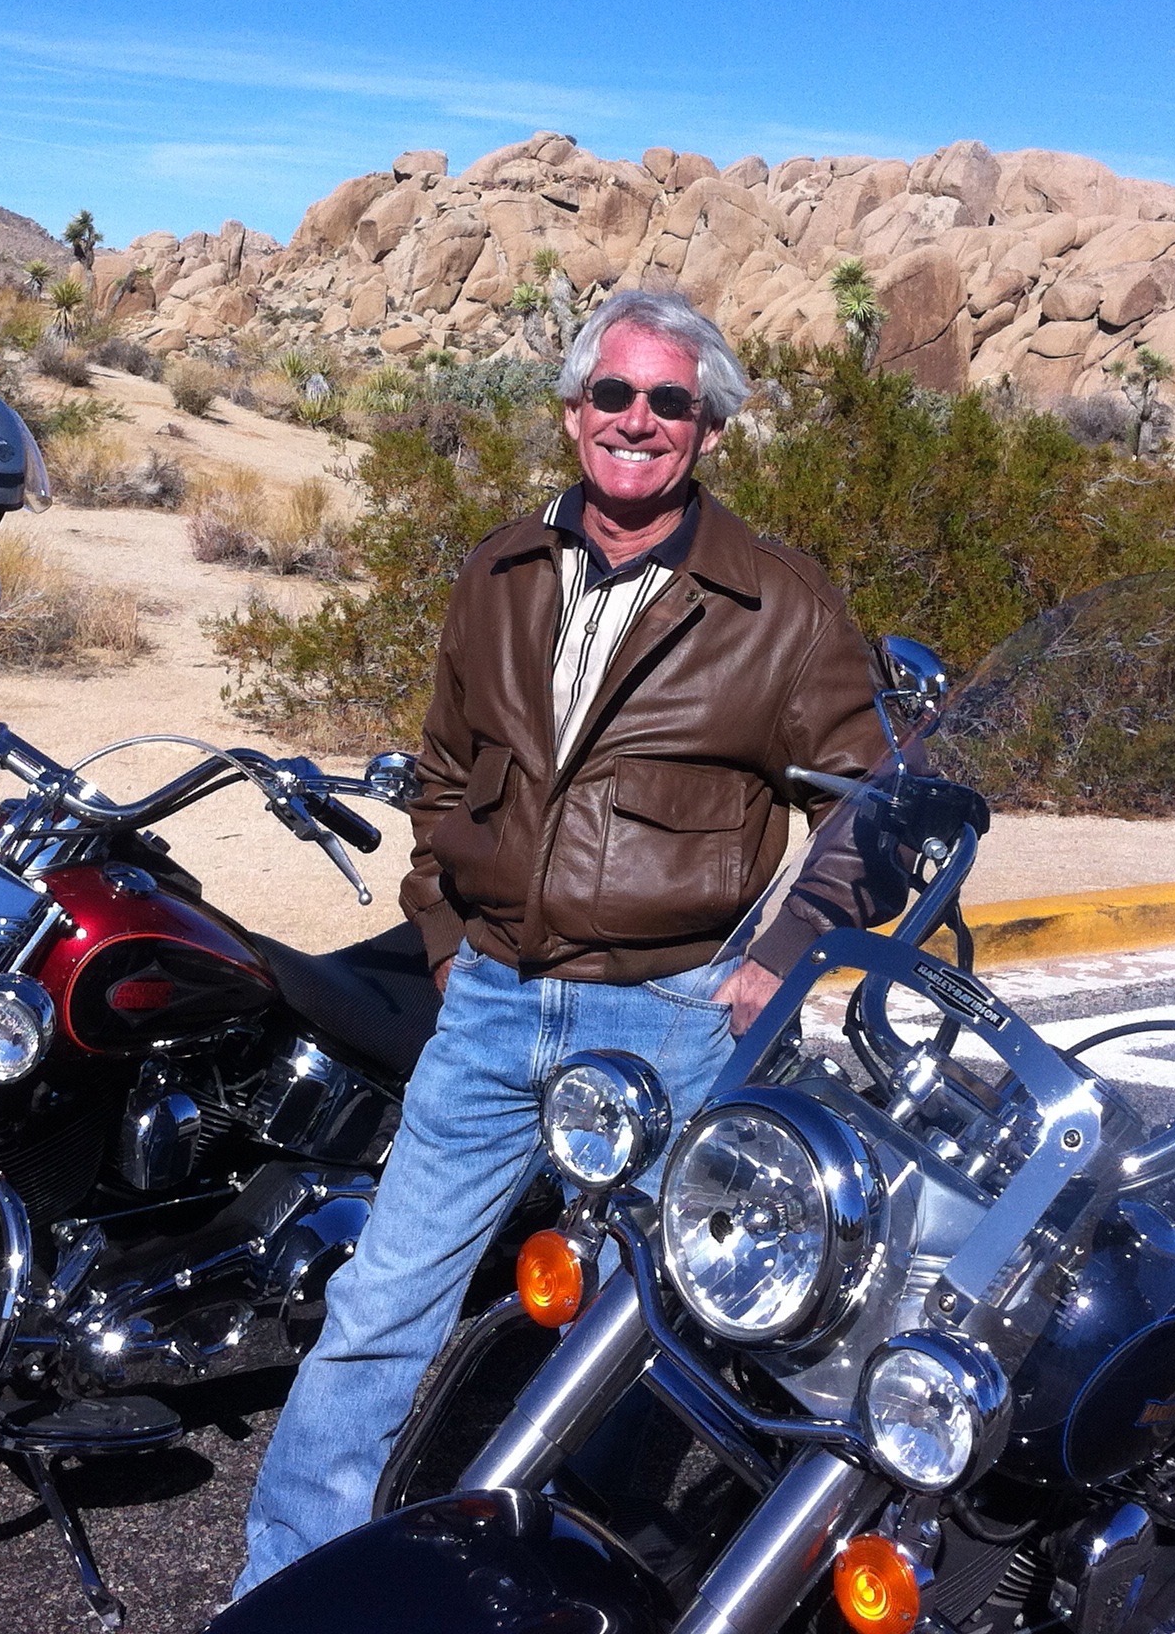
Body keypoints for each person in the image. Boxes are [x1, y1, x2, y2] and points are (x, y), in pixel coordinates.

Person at [235, 288, 893, 1591]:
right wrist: (442, 932)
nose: (637, 421)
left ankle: (603, 1584)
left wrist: (785, 956)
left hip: (671, 1015)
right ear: (572, 410)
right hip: (491, 997)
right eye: (614, 393)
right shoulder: (501, 571)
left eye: (669, 401)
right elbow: (445, 769)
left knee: (670, 1331)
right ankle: (284, 1589)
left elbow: (870, 808)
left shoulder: (780, 605)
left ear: (708, 429)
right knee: (378, 1309)